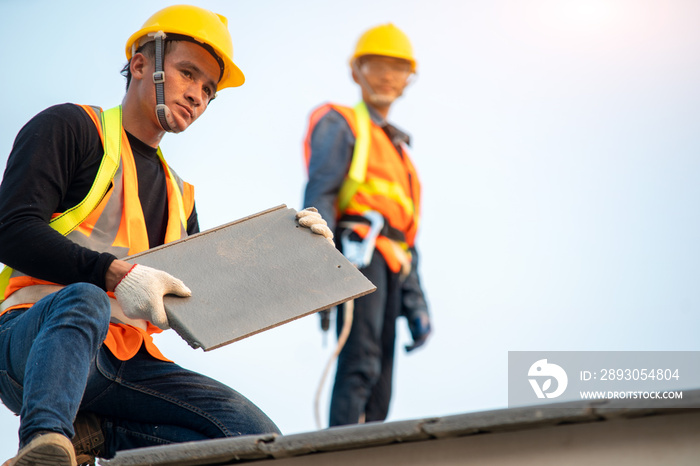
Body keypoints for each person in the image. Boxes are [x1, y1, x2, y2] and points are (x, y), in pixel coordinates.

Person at [0, 5, 331, 466]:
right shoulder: (72, 128)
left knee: (253, 439)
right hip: (33, 343)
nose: (197, 95)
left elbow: (204, 305)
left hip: (123, 363)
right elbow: (12, 231)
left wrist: (301, 256)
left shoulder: (181, 198)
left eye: (208, 89)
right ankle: (46, 446)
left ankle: (93, 433)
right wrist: (114, 275)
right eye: (187, 73)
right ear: (140, 63)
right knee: (86, 299)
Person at [302, 23, 432, 427]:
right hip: (358, 252)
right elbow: (321, 192)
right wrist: (320, 262)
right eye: (376, 65)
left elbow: (405, 238)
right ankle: (341, 448)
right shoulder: (342, 123)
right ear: (356, 71)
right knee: (360, 361)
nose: (386, 76)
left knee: (382, 379)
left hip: (394, 263)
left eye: (397, 67)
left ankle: (369, 445)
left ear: (409, 79)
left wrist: (416, 303)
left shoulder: (399, 152)